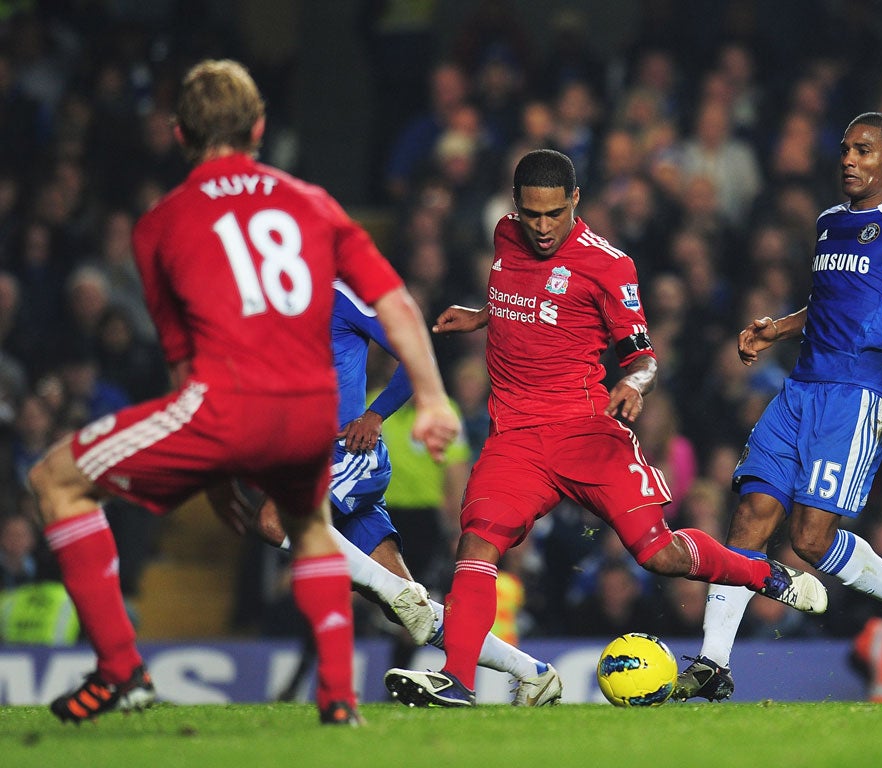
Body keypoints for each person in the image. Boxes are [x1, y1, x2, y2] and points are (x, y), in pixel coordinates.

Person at [27, 59, 459, 727]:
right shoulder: (312, 203)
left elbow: (183, 365)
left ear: (179, 134)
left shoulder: (159, 225)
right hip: (309, 414)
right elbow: (396, 300)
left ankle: (120, 668)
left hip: (228, 402)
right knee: (311, 527)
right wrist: (430, 397)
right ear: (259, 127)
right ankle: (339, 701)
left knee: (55, 479)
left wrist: (215, 467)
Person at [383, 148, 828, 708]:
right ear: (516, 208)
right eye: (531, 215)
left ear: (576, 200)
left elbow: (643, 356)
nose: (542, 228)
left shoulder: (608, 264)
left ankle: (763, 574)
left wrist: (634, 385)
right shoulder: (504, 235)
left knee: (657, 553)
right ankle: (457, 680)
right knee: (476, 544)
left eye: (553, 214)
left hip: (587, 431)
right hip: (516, 438)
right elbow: (529, 304)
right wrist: (481, 316)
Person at [674, 112, 882, 704]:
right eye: (843, 149)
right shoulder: (830, 223)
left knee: (810, 542)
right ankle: (713, 664)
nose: (847, 159)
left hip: (858, 394)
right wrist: (776, 328)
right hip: (800, 387)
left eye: (863, 150)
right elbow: (829, 305)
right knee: (753, 512)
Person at [213, 279, 563, 706]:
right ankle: (534, 673)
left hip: (346, 449)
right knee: (406, 608)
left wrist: (376, 414)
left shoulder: (336, 294)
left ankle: (394, 592)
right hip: (303, 461)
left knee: (272, 520)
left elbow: (416, 354)